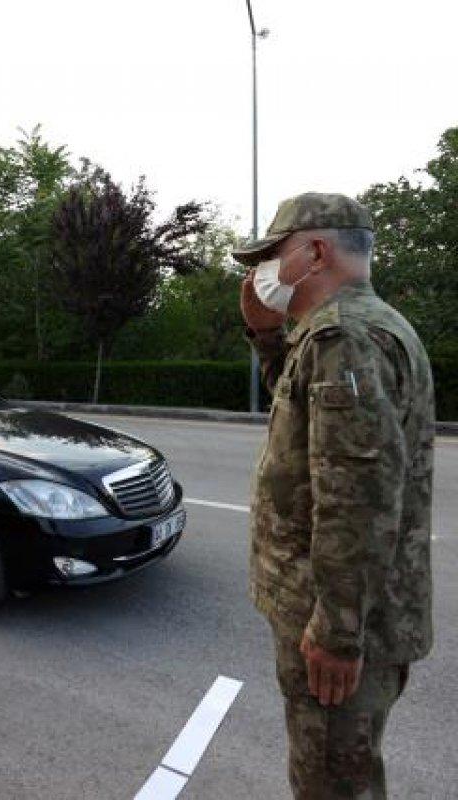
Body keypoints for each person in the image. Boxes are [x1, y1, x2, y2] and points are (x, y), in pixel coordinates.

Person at [235, 193, 434, 799]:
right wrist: (264, 332)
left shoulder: (346, 338)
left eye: (272, 255)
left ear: (315, 252)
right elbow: (301, 418)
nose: (261, 271)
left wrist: (337, 632)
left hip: (339, 628)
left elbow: (357, 499)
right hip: (347, 617)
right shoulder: (349, 330)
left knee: (331, 787)